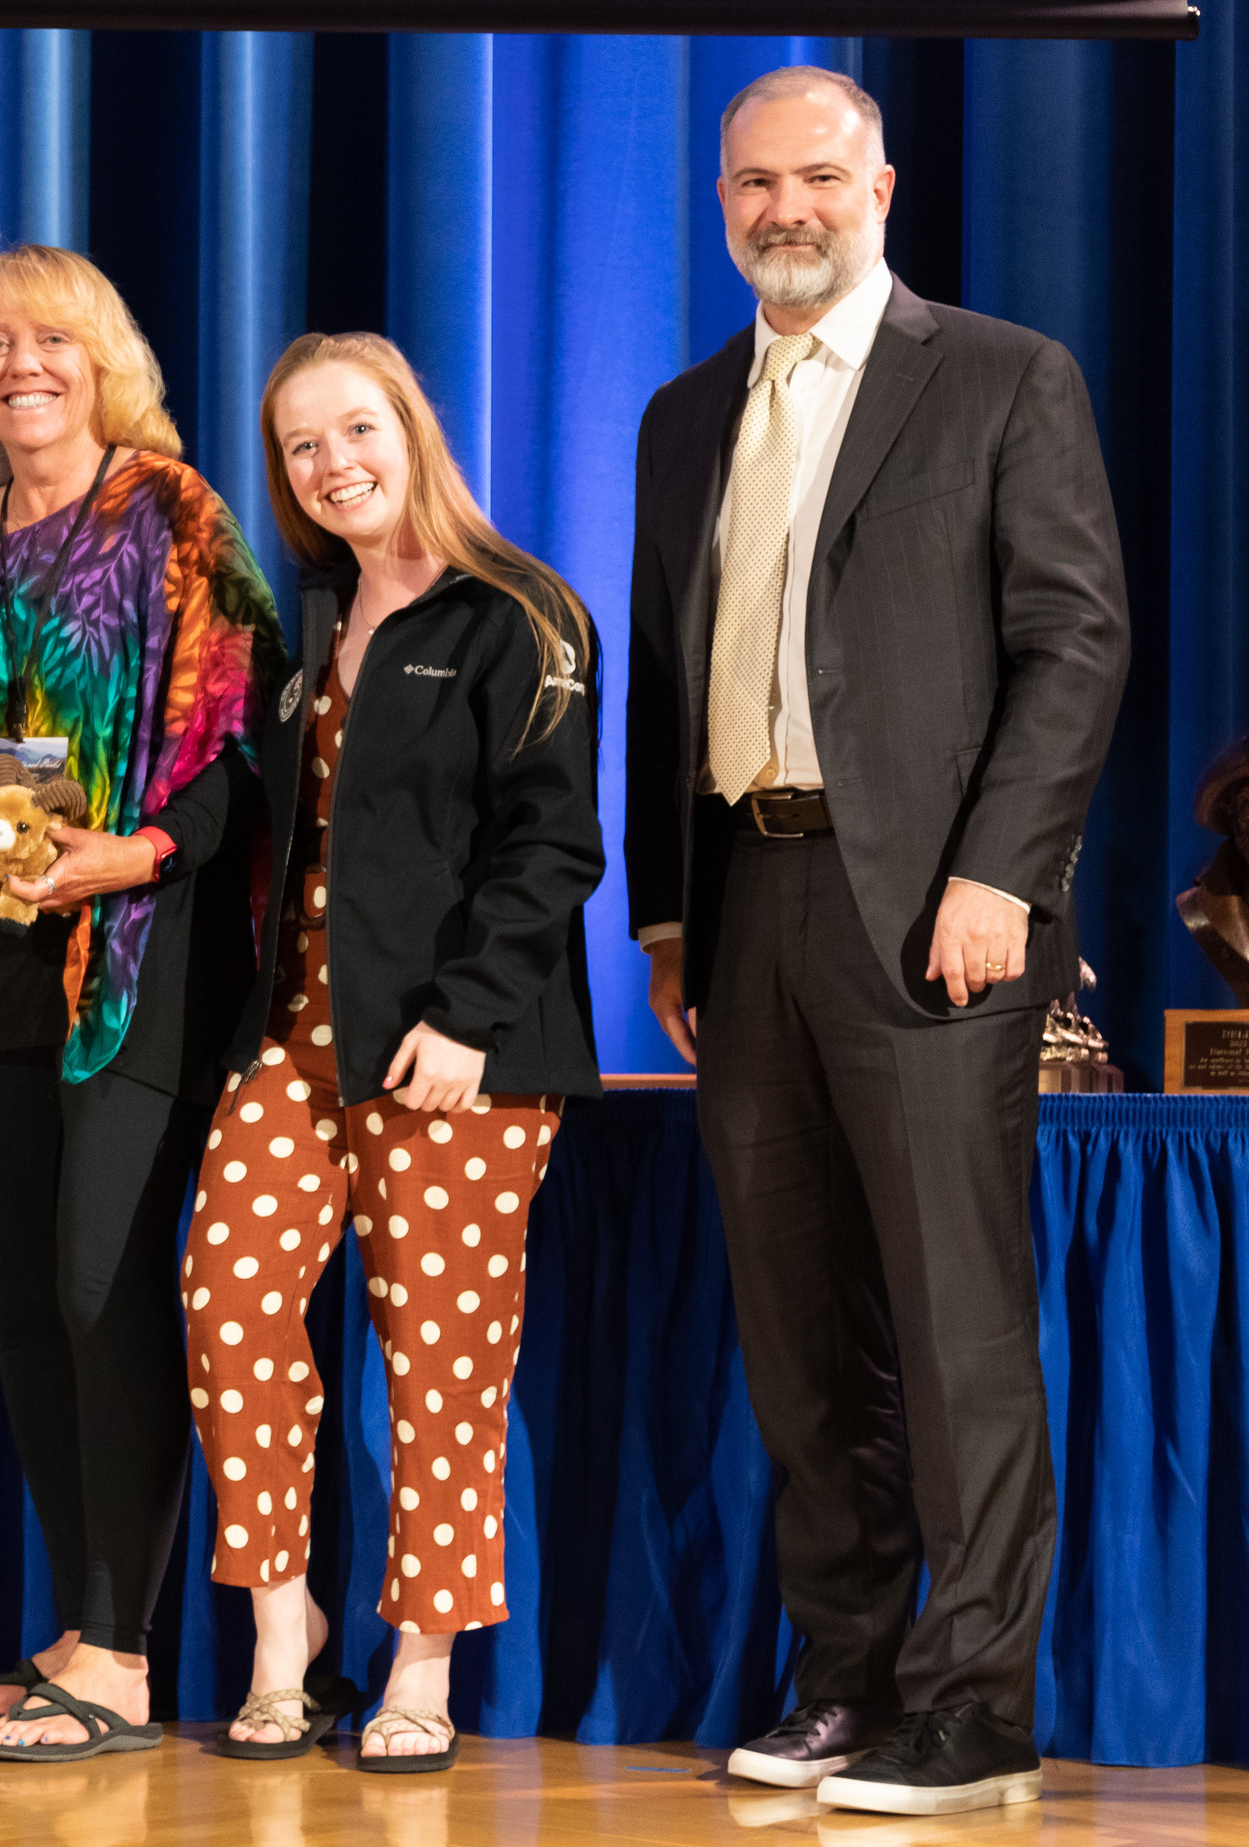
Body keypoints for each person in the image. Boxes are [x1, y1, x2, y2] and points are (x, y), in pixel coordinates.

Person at [626, 68, 1128, 1815]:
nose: (786, 208)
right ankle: (841, 1679)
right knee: (793, 1327)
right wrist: (668, 911)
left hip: (932, 917)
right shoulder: (683, 413)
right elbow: (665, 683)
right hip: (746, 903)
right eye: (753, 182)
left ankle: (975, 1704)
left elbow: (1072, 643)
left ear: (883, 185)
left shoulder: (999, 378)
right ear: (719, 202)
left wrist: (1002, 872)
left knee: (954, 1323)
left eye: (817, 176)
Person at [185, 333, 602, 1772]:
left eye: (355, 429)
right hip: (296, 1040)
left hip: (456, 1056)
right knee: (227, 1312)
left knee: (439, 1363)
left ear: (411, 430)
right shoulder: (302, 623)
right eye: (300, 445)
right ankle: (279, 1631)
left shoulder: (515, 611)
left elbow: (551, 842)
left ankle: (418, 1667)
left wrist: (471, 1018)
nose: (330, 464)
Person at [0, 245, 285, 1764]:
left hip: (136, 956)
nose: (21, 368)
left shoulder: (171, 515)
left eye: (52, 340)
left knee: (94, 1290)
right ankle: (77, 1622)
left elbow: (239, 748)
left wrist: (126, 852)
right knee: (18, 1312)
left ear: (105, 358)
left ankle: (124, 1654)